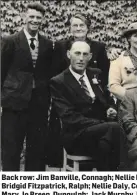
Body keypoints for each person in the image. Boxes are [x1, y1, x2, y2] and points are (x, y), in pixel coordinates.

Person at [48, 12, 111, 169]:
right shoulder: (61, 46)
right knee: (113, 133)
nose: (78, 28)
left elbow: (104, 83)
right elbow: (55, 73)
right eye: (74, 25)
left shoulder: (98, 48)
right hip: (70, 104)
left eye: (81, 25)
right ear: (69, 54)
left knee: (109, 140)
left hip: (94, 111)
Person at [50, 41, 125, 171]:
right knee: (115, 129)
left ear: (90, 57)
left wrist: (110, 108)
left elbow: (108, 98)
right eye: (77, 53)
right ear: (69, 54)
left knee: (105, 145)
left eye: (85, 54)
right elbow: (69, 117)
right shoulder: (58, 82)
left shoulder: (95, 74)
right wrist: (100, 123)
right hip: (76, 135)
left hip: (102, 133)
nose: (81, 58)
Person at [1, 2, 54, 171]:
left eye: (38, 17)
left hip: (38, 105)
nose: (35, 20)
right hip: (13, 104)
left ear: (43, 20)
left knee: (37, 149)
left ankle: (33, 189)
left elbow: (47, 73)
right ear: (24, 17)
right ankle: (10, 188)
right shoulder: (10, 41)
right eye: (31, 16)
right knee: (11, 149)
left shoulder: (47, 43)